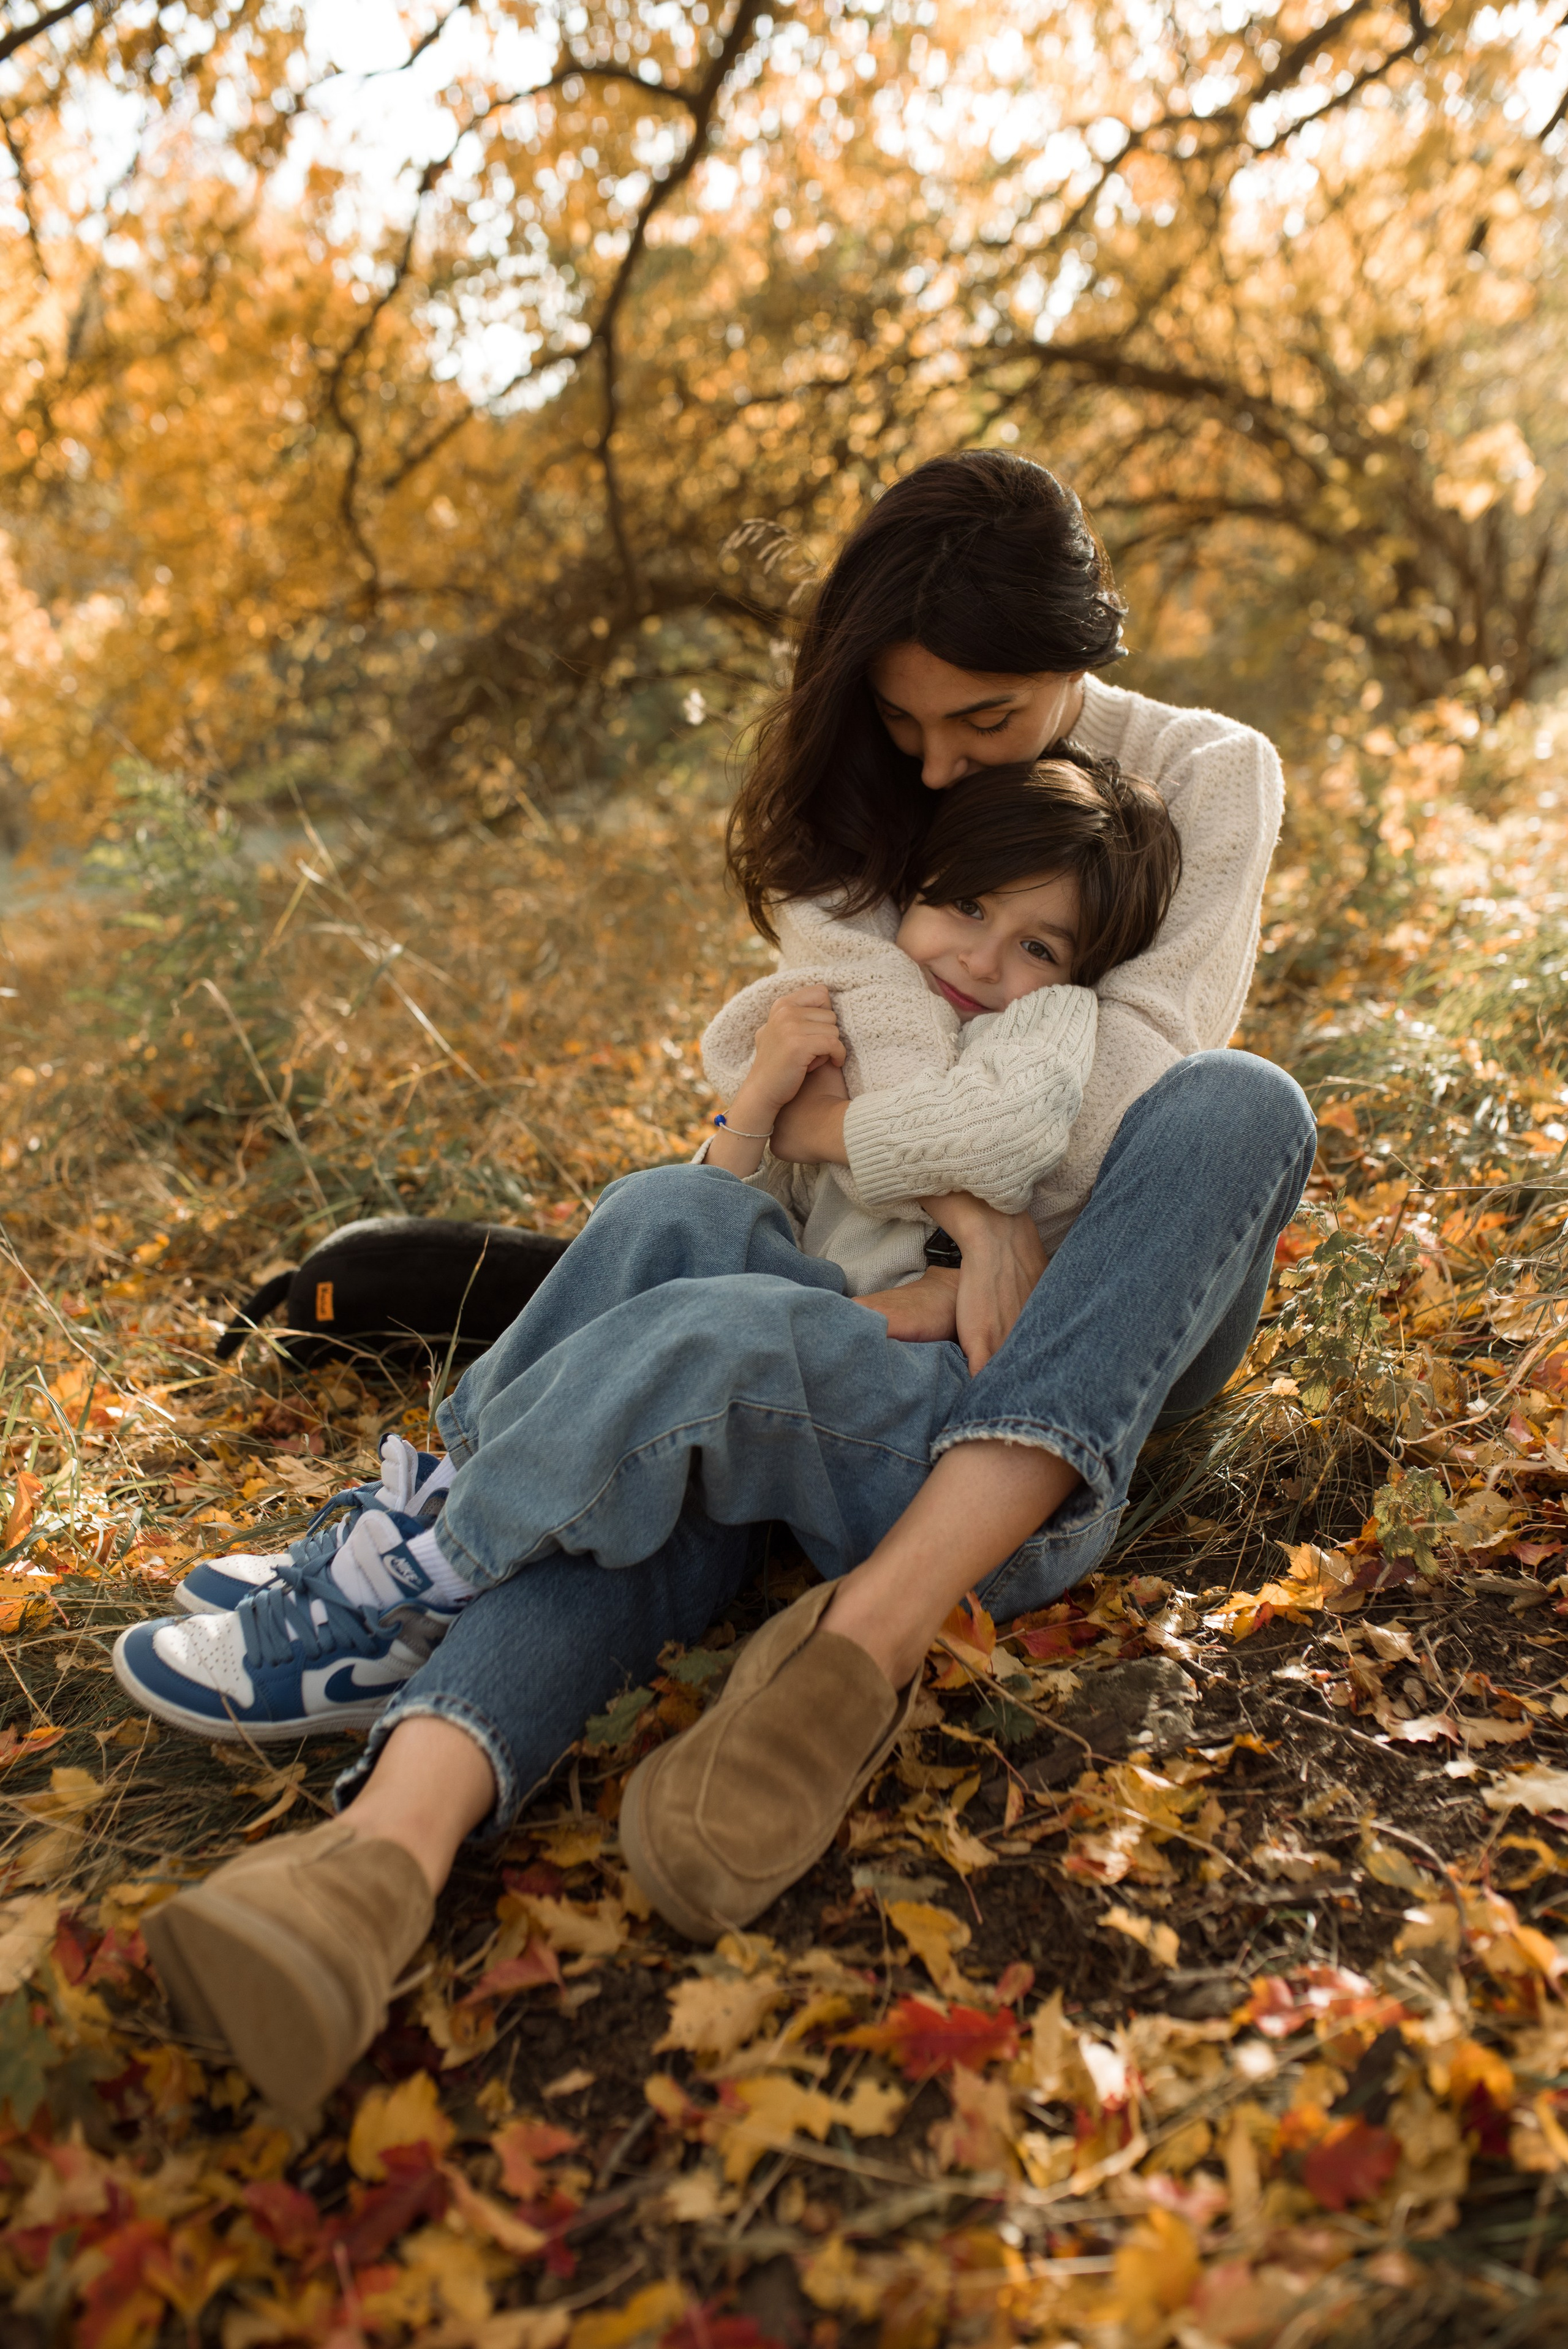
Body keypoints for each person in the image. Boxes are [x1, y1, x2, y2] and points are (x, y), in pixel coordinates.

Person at [112, 450, 1315, 2114]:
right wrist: (976, 1196)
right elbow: (805, 1073)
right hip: (870, 1313)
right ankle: (367, 1867)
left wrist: (945, 1171)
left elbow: (1118, 1115)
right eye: (912, 732)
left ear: (1077, 642)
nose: (943, 761)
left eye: (982, 718)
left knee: (1232, 1107)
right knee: (681, 1295)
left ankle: (851, 1652)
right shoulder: (865, 781)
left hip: (1099, 1328)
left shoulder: (1206, 771)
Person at [699, 750, 1180, 1295]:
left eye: (1037, 948)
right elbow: (725, 1222)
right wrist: (758, 1100)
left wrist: (825, 1125)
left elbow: (1003, 1131)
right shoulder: (852, 1009)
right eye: (969, 907)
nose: (980, 962)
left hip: (925, 1337)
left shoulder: (1045, 1022)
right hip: (785, 1289)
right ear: (911, 891)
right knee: (649, 1204)